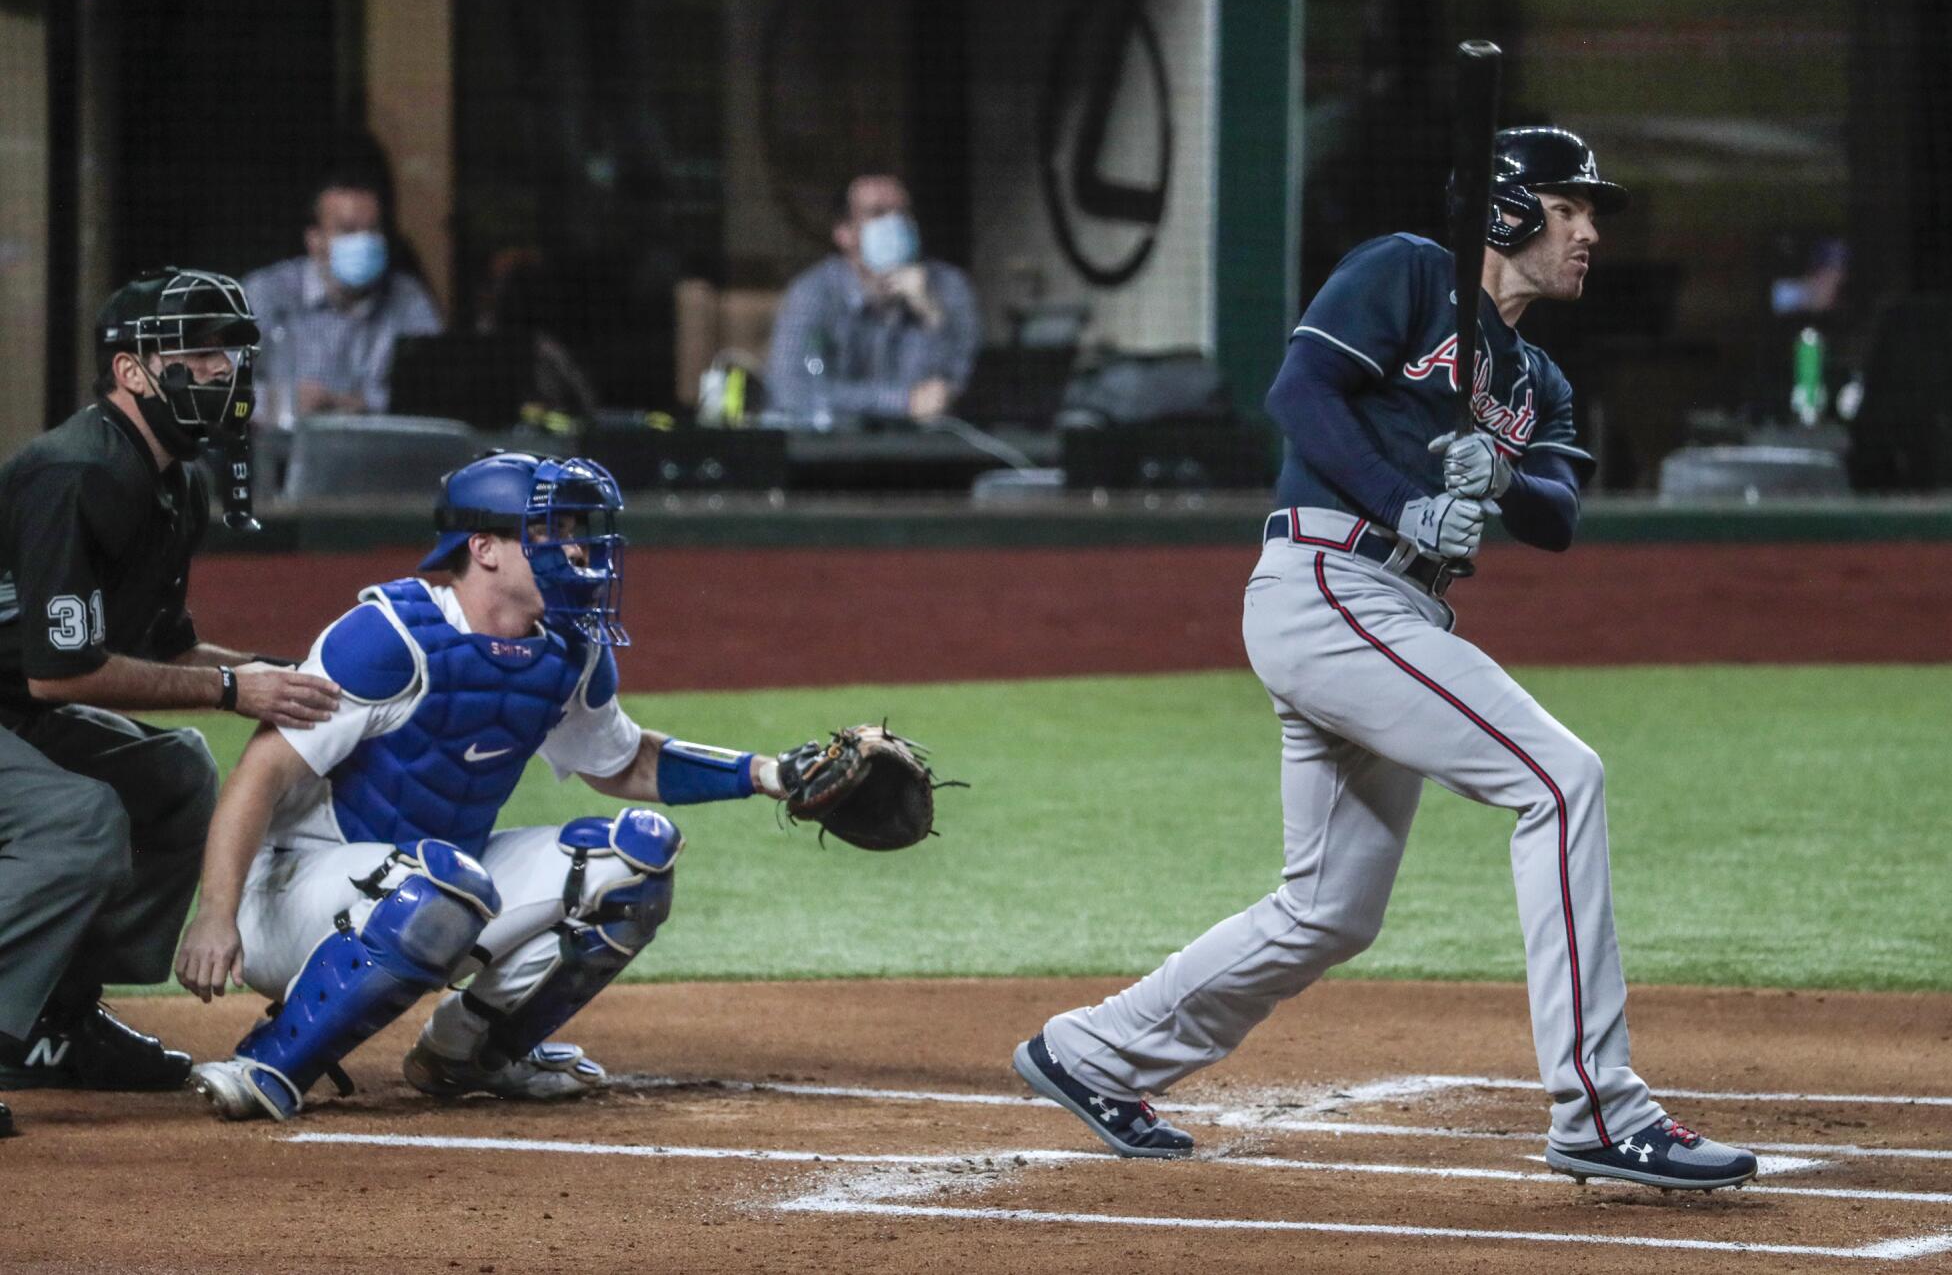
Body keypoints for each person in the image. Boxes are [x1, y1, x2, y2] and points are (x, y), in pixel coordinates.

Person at [1012, 128, 1761, 1192]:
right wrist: (1401, 492)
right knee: (1559, 778)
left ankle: (1089, 1051)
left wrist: (1495, 481)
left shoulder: (1534, 375)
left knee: (1328, 910)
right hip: (1326, 584)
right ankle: (1598, 1106)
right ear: (1503, 211)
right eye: (1568, 206)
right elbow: (1298, 395)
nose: (1589, 230)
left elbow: (1555, 515)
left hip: (1391, 611)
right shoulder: (1406, 270)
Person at [174, 451, 822, 1121]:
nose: (577, 548)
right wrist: (216, 912)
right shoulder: (389, 636)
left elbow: (626, 762)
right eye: (550, 529)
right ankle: (269, 1060)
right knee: (440, 888)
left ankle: (470, 1051)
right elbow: (261, 773)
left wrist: (766, 774)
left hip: (443, 885)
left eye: (579, 527)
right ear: (482, 548)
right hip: (286, 896)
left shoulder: (569, 650)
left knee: (634, 863)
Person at [0, 270, 342, 1129]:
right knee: (77, 819)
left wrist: (280, 675)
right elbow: (62, 675)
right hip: (26, 696)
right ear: (131, 372)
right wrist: (233, 687)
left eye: (229, 353)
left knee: (175, 770)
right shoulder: (74, 473)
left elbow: (162, 649)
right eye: (196, 354)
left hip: (17, 704)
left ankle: (57, 1019)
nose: (221, 371)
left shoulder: (172, 480)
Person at [240, 157, 442, 430]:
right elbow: (215, 387)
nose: (364, 241)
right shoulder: (265, 292)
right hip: (282, 460)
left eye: (373, 230)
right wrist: (282, 401)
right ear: (314, 240)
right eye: (348, 230)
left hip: (379, 459)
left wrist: (351, 406)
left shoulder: (408, 299)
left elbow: (436, 395)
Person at [764, 173, 980, 427]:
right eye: (877, 213)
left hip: (920, 452)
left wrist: (929, 314)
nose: (895, 223)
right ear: (844, 233)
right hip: (832, 454)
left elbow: (951, 390)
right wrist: (901, 402)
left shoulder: (949, 285)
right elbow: (793, 390)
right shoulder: (813, 291)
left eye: (903, 213)